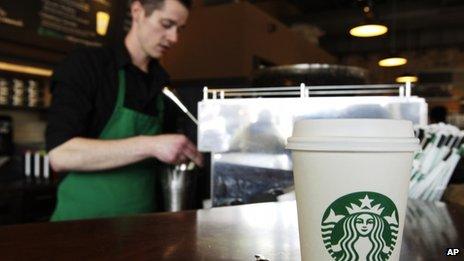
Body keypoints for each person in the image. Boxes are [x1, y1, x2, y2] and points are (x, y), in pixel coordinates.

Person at [46, 0, 203, 221]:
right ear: (138, 11)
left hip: (142, 231)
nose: (174, 38)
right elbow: (60, 154)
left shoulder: (162, 84)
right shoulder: (87, 66)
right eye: (166, 24)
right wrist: (151, 145)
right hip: (80, 229)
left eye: (179, 29)